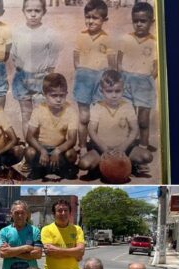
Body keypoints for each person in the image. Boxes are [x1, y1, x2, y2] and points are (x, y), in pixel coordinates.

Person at [78, 70, 152, 177]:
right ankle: (102, 165)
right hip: (102, 148)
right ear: (101, 90)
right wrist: (104, 149)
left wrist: (123, 147)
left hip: (124, 148)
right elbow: (91, 130)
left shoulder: (127, 106)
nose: (113, 95)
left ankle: (130, 164)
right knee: (84, 164)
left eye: (118, 91)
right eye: (109, 91)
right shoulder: (96, 107)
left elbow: (134, 129)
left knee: (147, 156)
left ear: (123, 89)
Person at [11, 0, 62, 142]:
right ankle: (29, 150)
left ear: (44, 12)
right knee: (26, 114)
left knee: (41, 116)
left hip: (42, 79)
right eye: (29, 11)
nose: (33, 15)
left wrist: (48, 79)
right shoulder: (17, 32)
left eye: (37, 11)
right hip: (22, 79)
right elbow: (14, 56)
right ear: (23, 11)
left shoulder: (49, 34)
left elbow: (53, 59)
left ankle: (42, 148)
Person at [73, 0, 116, 159]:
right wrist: (81, 70)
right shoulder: (81, 36)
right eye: (88, 17)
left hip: (100, 80)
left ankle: (96, 145)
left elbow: (112, 64)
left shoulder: (108, 38)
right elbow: (76, 58)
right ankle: (83, 146)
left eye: (95, 18)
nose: (90, 21)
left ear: (104, 20)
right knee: (84, 116)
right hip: (83, 79)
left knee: (98, 116)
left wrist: (107, 79)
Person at [118, 2, 157, 173]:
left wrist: (150, 77)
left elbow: (157, 65)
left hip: (145, 82)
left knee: (143, 120)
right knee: (129, 118)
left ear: (152, 21)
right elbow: (119, 60)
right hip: (127, 81)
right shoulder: (126, 39)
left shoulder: (155, 42)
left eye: (143, 21)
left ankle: (143, 147)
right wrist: (121, 75)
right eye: (136, 21)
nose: (139, 24)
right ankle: (130, 149)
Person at [25, 73, 78, 180]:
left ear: (66, 94)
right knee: (29, 152)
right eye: (54, 95)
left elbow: (72, 140)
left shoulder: (71, 111)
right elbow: (29, 137)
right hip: (42, 148)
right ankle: (39, 169)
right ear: (45, 95)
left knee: (71, 154)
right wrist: (42, 150)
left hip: (59, 148)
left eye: (62, 95)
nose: (58, 99)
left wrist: (58, 150)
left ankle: (61, 169)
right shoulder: (39, 110)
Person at [0, 200, 42, 269]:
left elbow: (38, 254)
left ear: (27, 214)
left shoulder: (34, 231)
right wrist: (26, 248)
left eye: (22, 212)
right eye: (16, 213)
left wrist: (12, 251)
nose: (20, 215)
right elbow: (2, 253)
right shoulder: (4, 231)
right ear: (11, 214)